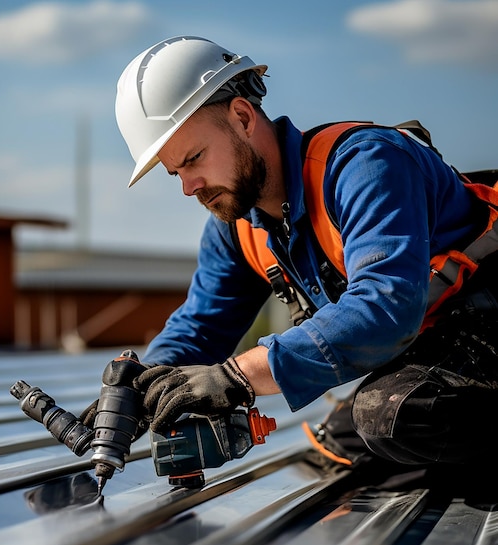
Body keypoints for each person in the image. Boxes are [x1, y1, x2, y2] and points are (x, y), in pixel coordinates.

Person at [84, 35, 498, 473]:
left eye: (194, 158)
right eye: (176, 173)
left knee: (392, 418)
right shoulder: (238, 226)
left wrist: (238, 376)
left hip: (486, 322)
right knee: (343, 440)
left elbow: (385, 307)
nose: (189, 186)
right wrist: (144, 387)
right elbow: (202, 326)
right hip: (437, 345)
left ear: (242, 116)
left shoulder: (366, 165)